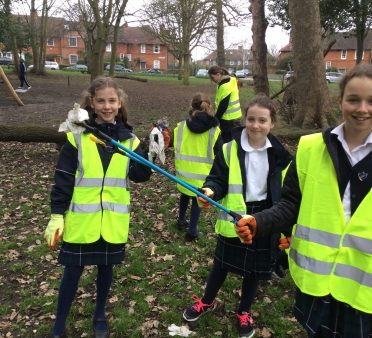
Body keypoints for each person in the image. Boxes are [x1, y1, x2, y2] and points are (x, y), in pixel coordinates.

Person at [235, 63, 372, 337]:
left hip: (364, 290)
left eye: (371, 101)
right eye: (354, 99)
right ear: (340, 99)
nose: (362, 109)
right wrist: (258, 221)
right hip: (317, 281)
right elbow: (290, 204)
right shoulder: (310, 148)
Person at [44, 76, 152, 338]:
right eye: (101, 101)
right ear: (91, 103)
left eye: (111, 101)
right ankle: (59, 324)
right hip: (83, 223)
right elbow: (63, 180)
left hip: (112, 223)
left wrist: (147, 154)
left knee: (106, 270)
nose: (107, 106)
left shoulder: (130, 141)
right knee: (72, 272)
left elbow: (140, 176)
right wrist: (57, 215)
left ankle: (100, 314)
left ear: (119, 103)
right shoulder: (77, 138)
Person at [182, 94, 292, 337]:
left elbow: (287, 195)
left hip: (265, 216)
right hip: (235, 214)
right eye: (251, 119)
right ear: (244, 119)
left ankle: (244, 311)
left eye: (262, 120)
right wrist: (209, 190)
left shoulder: (281, 156)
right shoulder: (229, 148)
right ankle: (207, 301)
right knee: (221, 264)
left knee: (253, 270)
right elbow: (217, 178)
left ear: (271, 123)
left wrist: (286, 229)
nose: (255, 125)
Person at [174, 93, 223, 241]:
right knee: (198, 200)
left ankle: (181, 221)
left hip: (183, 172)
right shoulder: (214, 131)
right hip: (202, 175)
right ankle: (192, 231)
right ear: (210, 108)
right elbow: (219, 152)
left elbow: (174, 144)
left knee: (185, 194)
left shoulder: (181, 127)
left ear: (192, 107)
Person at [208, 65, 242, 143]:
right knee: (235, 141)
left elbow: (223, 106)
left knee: (228, 143)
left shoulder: (225, 86)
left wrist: (216, 119)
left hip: (228, 120)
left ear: (218, 74)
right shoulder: (231, 80)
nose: (212, 80)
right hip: (235, 118)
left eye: (213, 78)